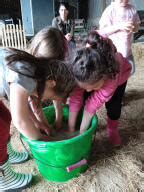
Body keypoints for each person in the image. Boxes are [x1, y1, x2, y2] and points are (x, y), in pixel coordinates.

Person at [0, 48, 74, 191]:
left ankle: (8, 154)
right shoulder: (26, 76)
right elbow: (20, 121)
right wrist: (41, 138)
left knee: (5, 116)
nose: (46, 100)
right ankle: (4, 180)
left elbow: (20, 103)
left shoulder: (34, 71)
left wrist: (37, 123)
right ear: (52, 83)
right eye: (52, 97)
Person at [68, 31, 131, 146]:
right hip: (92, 79)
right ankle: (79, 124)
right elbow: (75, 97)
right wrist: (71, 129)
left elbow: (92, 104)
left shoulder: (111, 76)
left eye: (92, 87)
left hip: (119, 78)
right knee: (83, 96)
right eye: (85, 87)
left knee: (114, 106)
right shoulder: (79, 67)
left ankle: (112, 129)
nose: (87, 91)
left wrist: (82, 133)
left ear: (103, 77)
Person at [99, 0, 140, 75]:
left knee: (130, 71)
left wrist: (134, 27)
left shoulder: (132, 9)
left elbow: (137, 26)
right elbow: (102, 31)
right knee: (115, 73)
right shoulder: (110, 10)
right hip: (114, 51)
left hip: (127, 50)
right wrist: (119, 26)